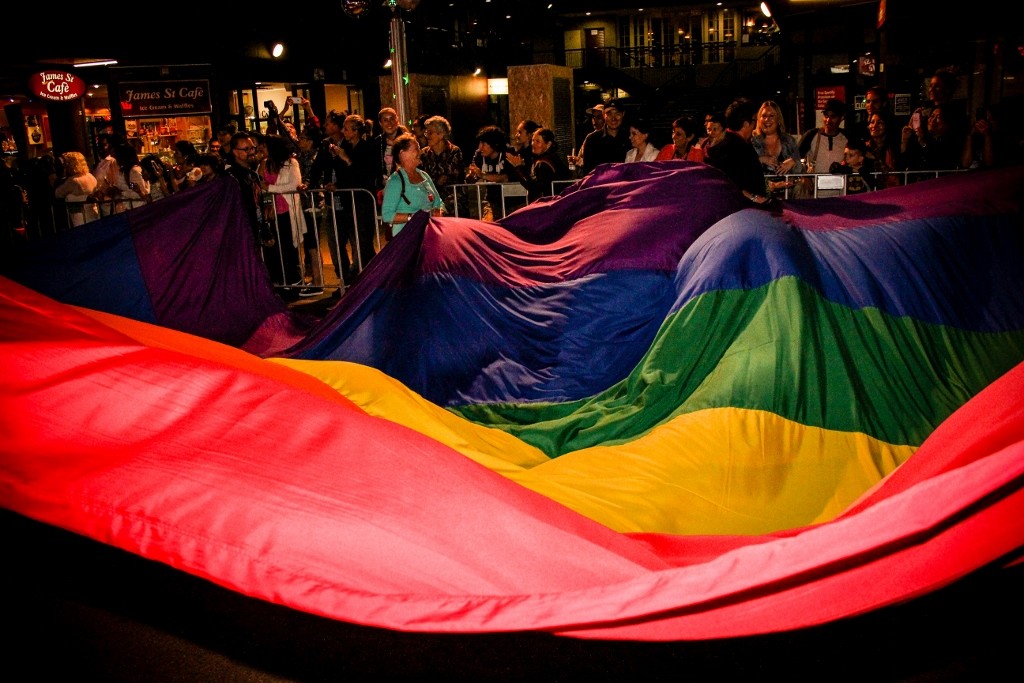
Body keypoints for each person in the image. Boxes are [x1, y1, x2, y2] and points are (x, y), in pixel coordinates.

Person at [706, 98, 781, 205]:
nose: (756, 125)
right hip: (742, 210)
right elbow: (731, 182)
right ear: (746, 124)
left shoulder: (724, 144)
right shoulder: (738, 148)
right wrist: (755, 198)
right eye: (754, 120)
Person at [332, 113, 380, 275]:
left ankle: (365, 273)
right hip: (346, 200)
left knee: (362, 240)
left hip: (362, 201)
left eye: (346, 128)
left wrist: (347, 160)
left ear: (356, 131)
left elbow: (366, 175)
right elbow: (342, 174)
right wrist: (336, 185)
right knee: (351, 238)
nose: (343, 131)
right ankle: (355, 274)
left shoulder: (367, 148)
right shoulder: (344, 147)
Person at [258, 134, 304, 291]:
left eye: (264, 147)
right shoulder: (266, 164)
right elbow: (259, 183)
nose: (261, 149)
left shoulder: (291, 163)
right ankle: (279, 279)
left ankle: (294, 279)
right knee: (274, 248)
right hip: (271, 211)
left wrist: (270, 188)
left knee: (288, 246)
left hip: (286, 209)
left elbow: (294, 184)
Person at [380, 133, 444, 237]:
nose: (420, 152)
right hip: (407, 238)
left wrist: (439, 211)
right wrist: (415, 217)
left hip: (428, 235)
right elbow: (387, 215)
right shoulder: (395, 181)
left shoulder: (424, 176)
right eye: (416, 149)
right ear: (402, 153)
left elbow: (438, 202)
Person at [222, 132, 267, 247]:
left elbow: (258, 204)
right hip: (240, 236)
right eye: (246, 149)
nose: (252, 152)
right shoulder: (230, 178)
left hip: (254, 232)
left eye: (253, 148)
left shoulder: (253, 175)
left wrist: (265, 229)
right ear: (235, 152)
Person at [418, 115, 465, 214]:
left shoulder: (454, 151)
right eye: (426, 132)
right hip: (430, 197)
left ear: (441, 134)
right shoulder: (424, 154)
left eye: (430, 133)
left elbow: (455, 176)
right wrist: (436, 182)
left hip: (453, 198)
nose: (427, 136)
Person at [512, 127, 571, 203]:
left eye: (538, 141)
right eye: (533, 140)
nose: (533, 144)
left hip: (547, 206)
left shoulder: (543, 163)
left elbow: (535, 188)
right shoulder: (552, 158)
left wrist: (518, 168)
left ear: (548, 144)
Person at [900, 104, 964, 172]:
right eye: (932, 116)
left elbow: (936, 161)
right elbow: (903, 162)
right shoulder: (921, 137)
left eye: (938, 117)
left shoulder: (951, 143)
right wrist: (905, 140)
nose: (932, 120)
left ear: (947, 124)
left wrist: (923, 142)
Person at [465, 125, 511, 220]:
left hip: (513, 201)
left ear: (495, 144)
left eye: (483, 144)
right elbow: (471, 178)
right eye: (479, 143)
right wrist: (472, 175)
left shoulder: (508, 153)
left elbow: (505, 177)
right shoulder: (479, 155)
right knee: (488, 225)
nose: (480, 147)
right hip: (492, 200)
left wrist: (483, 175)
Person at [751, 100, 803, 177]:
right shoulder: (752, 142)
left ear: (778, 119)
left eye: (771, 116)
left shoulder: (789, 140)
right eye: (764, 116)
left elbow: (801, 171)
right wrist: (761, 159)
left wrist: (793, 163)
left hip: (787, 188)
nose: (767, 120)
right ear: (759, 119)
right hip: (761, 188)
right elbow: (743, 167)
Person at [577, 99, 630, 174]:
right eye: (609, 114)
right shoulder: (592, 140)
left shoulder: (631, 138)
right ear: (604, 115)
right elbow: (588, 172)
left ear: (623, 114)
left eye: (617, 114)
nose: (613, 118)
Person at [799, 98, 849, 175]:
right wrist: (803, 175)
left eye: (833, 117)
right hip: (815, 185)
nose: (828, 120)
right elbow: (795, 157)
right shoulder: (812, 135)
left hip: (840, 184)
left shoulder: (846, 138)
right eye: (826, 116)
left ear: (842, 118)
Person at [53, 151, 98, 227]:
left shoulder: (73, 181)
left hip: (80, 219)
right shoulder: (90, 176)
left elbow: (58, 193)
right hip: (94, 214)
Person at [373, 107, 408, 190]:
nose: (389, 123)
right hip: (385, 188)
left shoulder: (407, 139)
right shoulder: (378, 141)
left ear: (397, 120)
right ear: (380, 123)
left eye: (392, 119)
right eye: (385, 120)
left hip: (404, 185)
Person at [865, 112, 903, 187]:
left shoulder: (895, 147)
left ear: (887, 126)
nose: (874, 126)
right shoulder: (864, 148)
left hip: (894, 190)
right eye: (872, 122)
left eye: (879, 123)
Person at [110, 143, 149, 212]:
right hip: (128, 208)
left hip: (138, 209)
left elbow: (144, 194)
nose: (116, 159)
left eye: (118, 156)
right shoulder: (123, 170)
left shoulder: (134, 171)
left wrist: (123, 192)